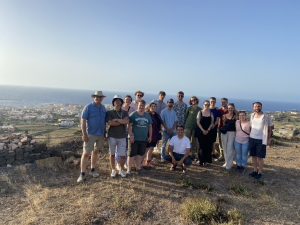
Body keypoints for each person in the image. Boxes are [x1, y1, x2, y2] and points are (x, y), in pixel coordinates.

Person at [77, 91, 106, 183]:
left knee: (96, 152)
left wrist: (105, 133)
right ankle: (82, 174)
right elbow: (83, 121)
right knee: (86, 153)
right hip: (90, 134)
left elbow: (104, 122)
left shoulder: (103, 108)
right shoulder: (88, 107)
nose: (98, 98)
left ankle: (93, 169)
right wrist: (84, 134)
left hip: (100, 134)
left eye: (100, 97)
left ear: (102, 98)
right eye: (97, 97)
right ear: (94, 97)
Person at [248, 102, 273, 179]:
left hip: (261, 140)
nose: (257, 108)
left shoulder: (266, 116)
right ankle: (255, 170)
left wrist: (269, 138)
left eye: (258, 106)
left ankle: (260, 172)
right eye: (255, 106)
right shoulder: (252, 115)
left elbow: (270, 129)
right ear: (253, 107)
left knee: (260, 157)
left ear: (261, 107)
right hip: (252, 138)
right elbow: (251, 127)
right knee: (253, 156)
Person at [107, 95, 129, 178]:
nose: (117, 102)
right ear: (113, 103)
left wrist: (116, 120)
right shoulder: (109, 112)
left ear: (121, 102)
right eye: (116, 101)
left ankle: (122, 169)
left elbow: (126, 121)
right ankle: (113, 169)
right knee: (112, 154)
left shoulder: (125, 112)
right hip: (112, 136)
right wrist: (121, 121)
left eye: (119, 101)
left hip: (122, 136)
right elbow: (110, 123)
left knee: (123, 155)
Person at [128, 100, 152, 174]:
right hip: (134, 139)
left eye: (143, 106)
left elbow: (150, 126)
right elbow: (129, 126)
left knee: (140, 154)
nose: (141, 107)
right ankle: (129, 169)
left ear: (144, 106)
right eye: (140, 105)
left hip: (143, 138)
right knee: (131, 154)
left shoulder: (147, 115)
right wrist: (131, 135)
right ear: (137, 105)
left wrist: (150, 136)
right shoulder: (133, 114)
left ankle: (138, 167)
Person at [145, 101, 163, 167]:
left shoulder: (157, 115)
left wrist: (160, 130)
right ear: (149, 107)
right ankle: (144, 162)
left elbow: (160, 123)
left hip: (155, 134)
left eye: (155, 106)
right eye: (152, 106)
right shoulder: (147, 114)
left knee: (151, 148)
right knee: (147, 149)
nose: (153, 107)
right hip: (148, 134)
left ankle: (148, 161)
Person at [196, 100, 215, 166]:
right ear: (203, 105)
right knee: (201, 146)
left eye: (208, 105)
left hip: (209, 132)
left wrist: (208, 130)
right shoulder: (200, 112)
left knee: (208, 146)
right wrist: (203, 130)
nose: (206, 106)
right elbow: (198, 122)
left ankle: (206, 161)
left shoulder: (211, 113)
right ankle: (201, 160)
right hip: (201, 132)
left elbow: (212, 122)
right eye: (205, 104)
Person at [220, 103, 237, 171]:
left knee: (230, 148)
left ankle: (229, 165)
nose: (230, 109)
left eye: (231, 108)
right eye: (229, 108)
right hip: (224, 133)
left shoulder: (236, 116)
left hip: (232, 133)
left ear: (234, 108)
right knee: (225, 148)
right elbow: (222, 124)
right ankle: (226, 162)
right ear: (227, 108)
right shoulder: (224, 116)